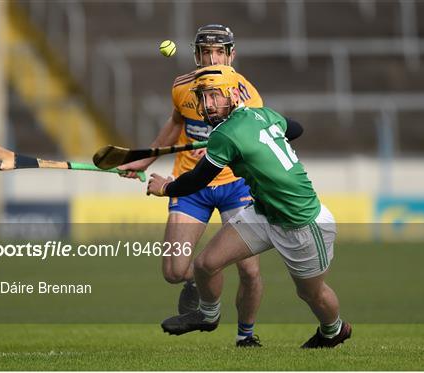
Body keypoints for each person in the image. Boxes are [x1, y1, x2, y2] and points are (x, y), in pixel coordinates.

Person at [146, 65, 352, 349]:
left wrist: (165, 188)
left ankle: (334, 331)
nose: (208, 104)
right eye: (204, 97)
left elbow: (197, 179)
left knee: (311, 294)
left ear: (232, 94)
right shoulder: (263, 115)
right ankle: (208, 316)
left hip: (301, 222)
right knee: (206, 264)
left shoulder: (226, 135)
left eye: (214, 96)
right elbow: (295, 128)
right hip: (264, 213)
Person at [120, 24, 295, 347]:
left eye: (219, 51)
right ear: (196, 54)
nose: (211, 57)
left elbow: (255, 144)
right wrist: (145, 159)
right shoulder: (183, 88)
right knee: (174, 271)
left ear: (231, 54)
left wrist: (221, 148)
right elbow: (176, 123)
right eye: (205, 51)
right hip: (192, 186)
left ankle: (245, 335)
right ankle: (201, 283)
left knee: (250, 271)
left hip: (235, 186)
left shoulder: (248, 94)